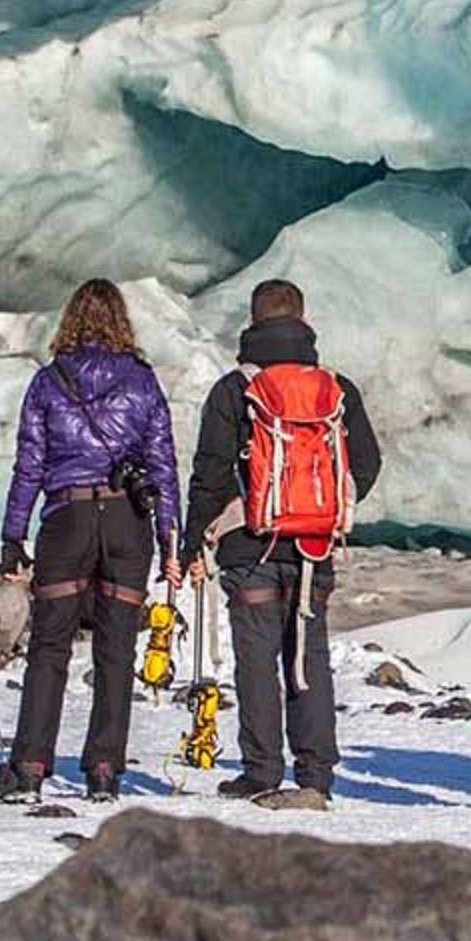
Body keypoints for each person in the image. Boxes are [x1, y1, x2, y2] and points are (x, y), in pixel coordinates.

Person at [177, 278, 382, 805]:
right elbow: (367, 462)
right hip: (314, 545)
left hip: (250, 544)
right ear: (303, 319)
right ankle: (316, 773)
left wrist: (194, 539)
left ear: (252, 320)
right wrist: (330, 509)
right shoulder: (336, 389)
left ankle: (261, 769)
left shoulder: (234, 389)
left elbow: (210, 472)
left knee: (257, 658)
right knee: (308, 656)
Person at [0, 280, 178, 802]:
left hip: (67, 517)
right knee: (115, 651)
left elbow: (30, 463)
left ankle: (29, 764)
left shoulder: (48, 383)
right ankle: (102, 770)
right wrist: (170, 540)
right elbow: (162, 463)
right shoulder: (142, 381)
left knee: (49, 646)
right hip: (125, 521)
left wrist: (13, 535)